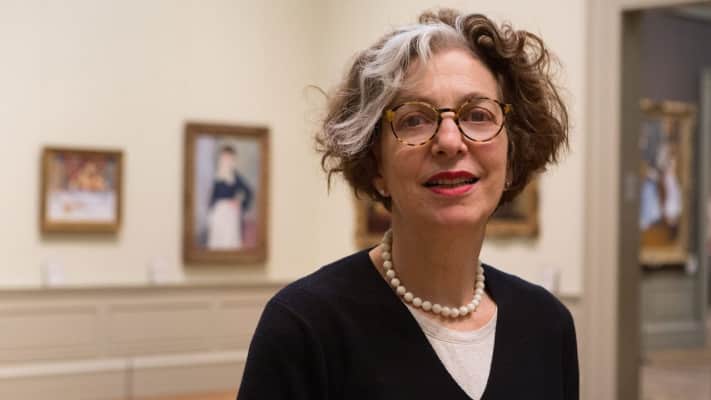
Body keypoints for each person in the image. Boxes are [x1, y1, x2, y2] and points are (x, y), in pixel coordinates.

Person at [238, 8, 577, 399]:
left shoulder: (548, 325)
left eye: (477, 114)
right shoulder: (305, 327)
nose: (449, 141)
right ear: (375, 164)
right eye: (415, 119)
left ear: (513, 157)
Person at [206, 145, 252, 250]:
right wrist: (210, 212)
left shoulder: (235, 177)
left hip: (230, 214)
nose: (225, 161)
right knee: (217, 239)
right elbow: (212, 197)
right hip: (218, 213)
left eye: (228, 158)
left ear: (233, 159)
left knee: (229, 240)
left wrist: (239, 202)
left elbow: (248, 192)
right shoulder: (216, 176)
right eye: (223, 157)